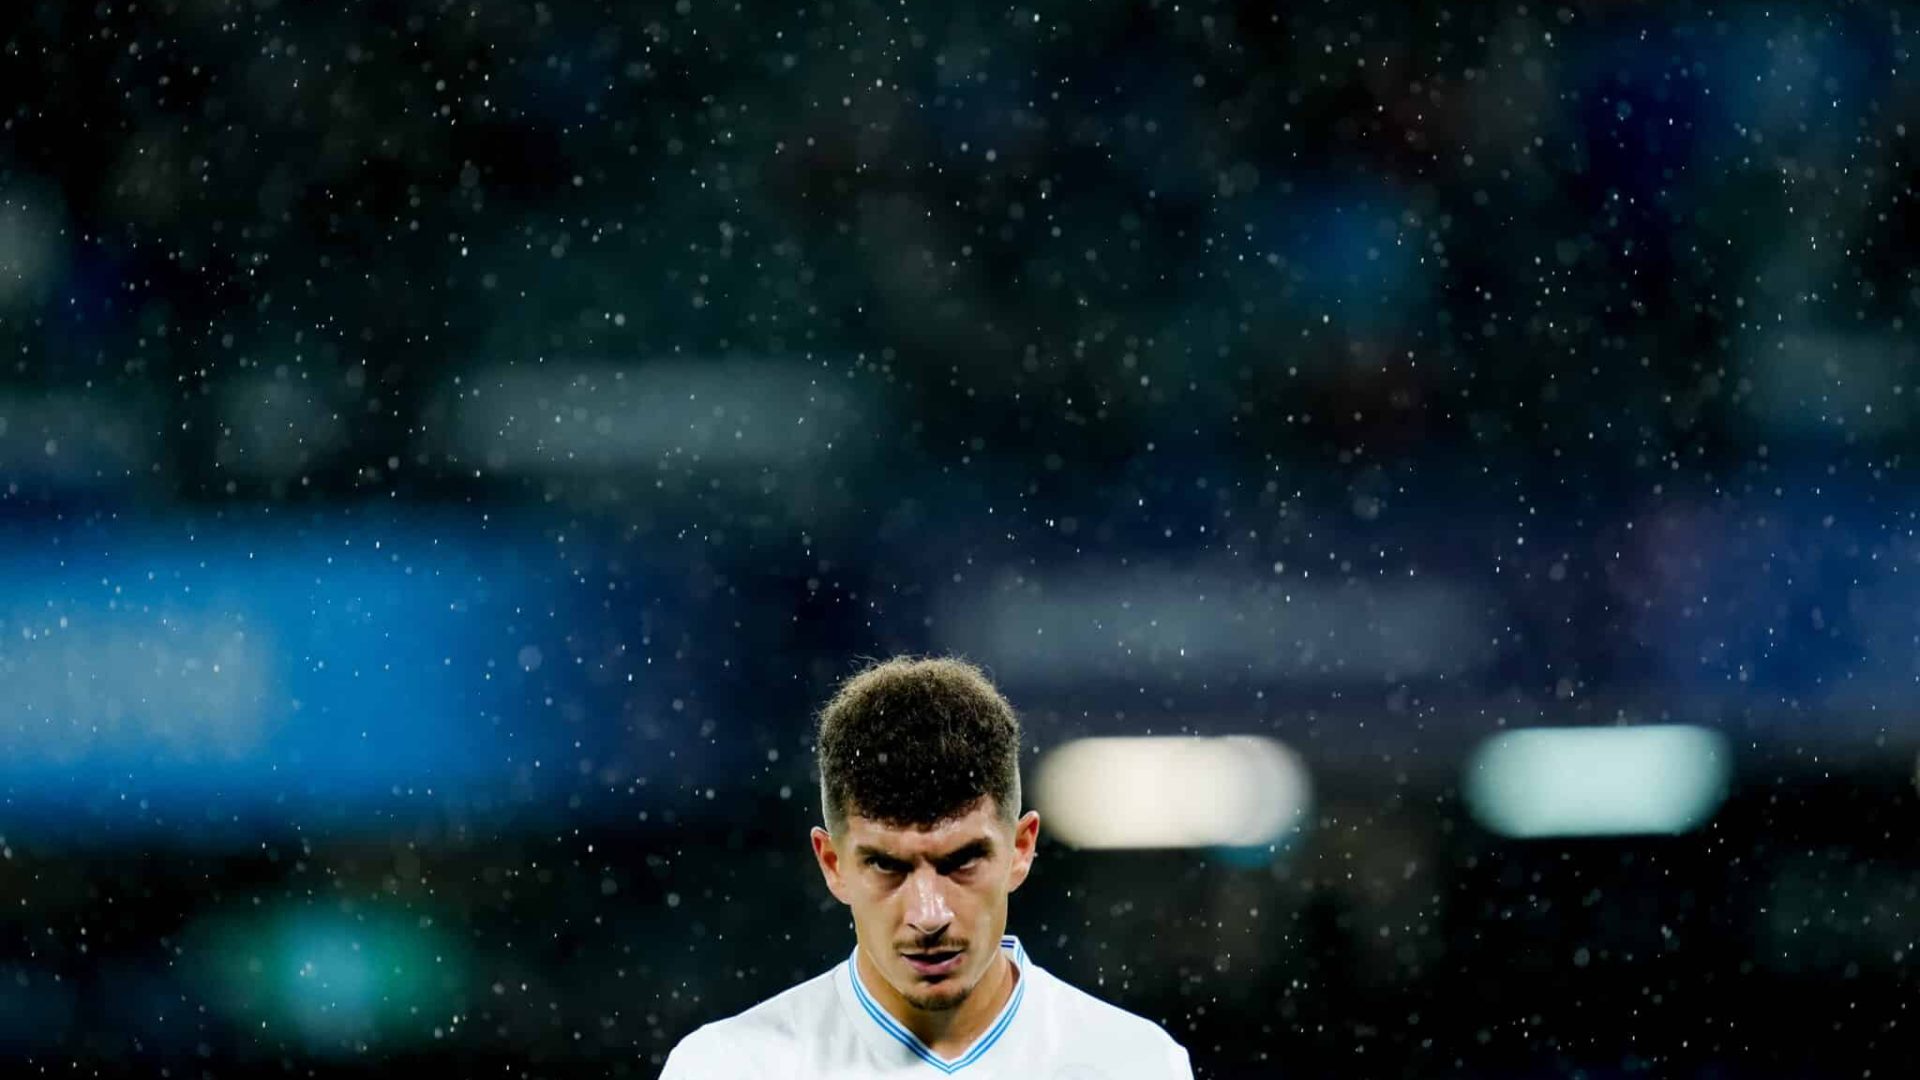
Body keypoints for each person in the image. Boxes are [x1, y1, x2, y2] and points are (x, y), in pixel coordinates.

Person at [661, 655, 1195, 1078]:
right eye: (887, 866)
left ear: (1022, 848)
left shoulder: (1137, 1064)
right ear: (832, 863)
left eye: (962, 861)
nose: (928, 914)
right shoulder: (729, 1068)